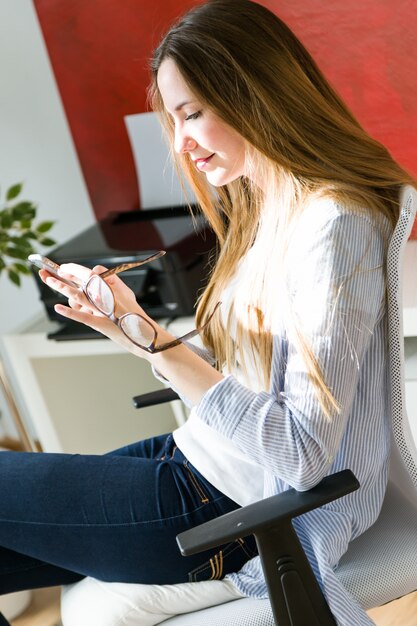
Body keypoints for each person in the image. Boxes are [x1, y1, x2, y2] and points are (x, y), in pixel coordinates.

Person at [0, 1, 416, 625]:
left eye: (194, 112)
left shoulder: (334, 227)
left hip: (224, 510)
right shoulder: (273, 210)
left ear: (257, 95)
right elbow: (246, 382)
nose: (183, 142)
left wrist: (164, 352)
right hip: (191, 464)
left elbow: (303, 451)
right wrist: (130, 323)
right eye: (174, 118)